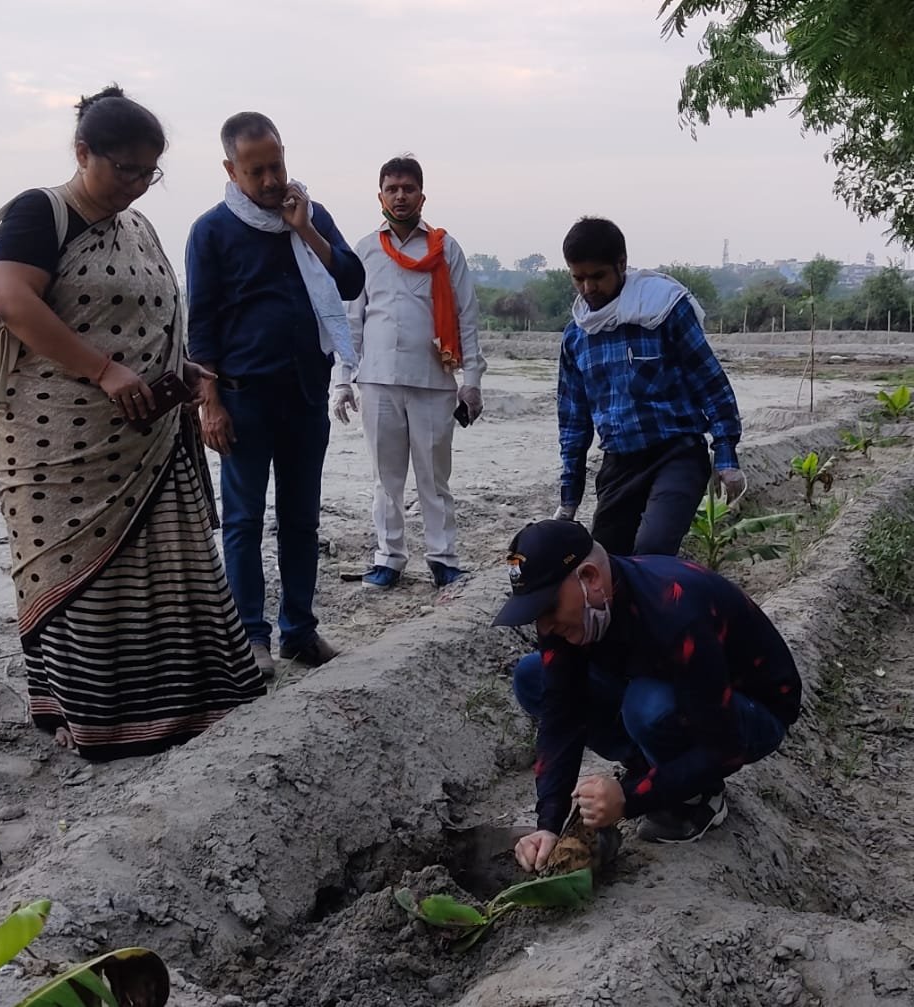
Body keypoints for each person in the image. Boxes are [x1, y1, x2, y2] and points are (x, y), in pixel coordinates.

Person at [0, 85, 264, 761]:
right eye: (124, 170)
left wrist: (189, 379)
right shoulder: (39, 213)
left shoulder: (138, 227)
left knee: (162, 568)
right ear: (84, 153)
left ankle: (181, 703)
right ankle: (97, 716)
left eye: (150, 172)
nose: (137, 186)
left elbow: (162, 315)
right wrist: (103, 370)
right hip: (60, 441)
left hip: (147, 435)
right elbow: (12, 300)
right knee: (82, 574)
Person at [491, 519, 801, 866]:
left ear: (590, 578)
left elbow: (725, 748)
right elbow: (562, 714)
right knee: (533, 676)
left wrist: (628, 799)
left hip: (750, 714)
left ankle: (700, 797)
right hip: (673, 690)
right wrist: (547, 824)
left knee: (648, 706)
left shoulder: (674, 610)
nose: (544, 626)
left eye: (547, 608)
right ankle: (654, 767)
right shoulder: (572, 616)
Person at [186, 111, 365, 676]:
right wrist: (208, 404)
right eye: (256, 170)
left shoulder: (311, 215)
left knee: (301, 518)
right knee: (242, 521)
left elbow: (352, 280)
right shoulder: (211, 230)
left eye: (277, 165)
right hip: (243, 400)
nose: (270, 181)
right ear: (230, 169)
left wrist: (304, 228)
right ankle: (251, 638)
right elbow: (203, 326)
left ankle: (300, 632)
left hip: (305, 394)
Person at [332, 155, 484, 589]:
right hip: (378, 378)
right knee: (386, 478)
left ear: (422, 195)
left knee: (435, 478)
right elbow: (352, 322)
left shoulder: (443, 249)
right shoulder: (363, 250)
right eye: (392, 188)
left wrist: (471, 383)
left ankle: (443, 558)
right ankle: (389, 558)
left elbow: (466, 316)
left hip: (434, 379)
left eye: (408, 188)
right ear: (379, 195)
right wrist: (342, 380)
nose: (400, 196)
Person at [555, 217, 744, 556]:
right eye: (578, 278)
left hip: (677, 453)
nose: (588, 288)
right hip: (619, 462)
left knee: (653, 548)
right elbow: (573, 421)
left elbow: (710, 382)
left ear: (622, 264)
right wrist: (570, 497)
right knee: (607, 561)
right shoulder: (577, 336)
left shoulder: (664, 311)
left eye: (598, 276)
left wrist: (727, 454)